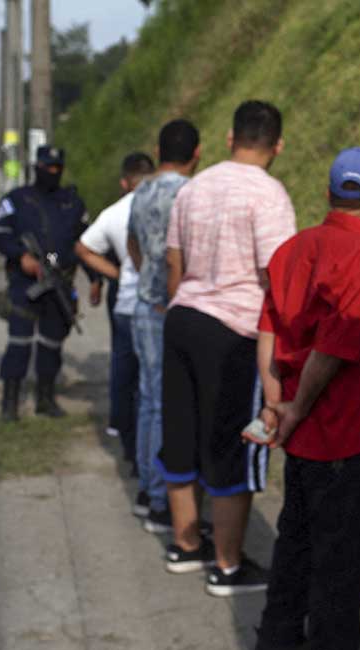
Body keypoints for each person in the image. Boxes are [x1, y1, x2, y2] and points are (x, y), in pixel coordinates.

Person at [244, 146, 360, 650]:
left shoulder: (293, 249)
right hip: (342, 431)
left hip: (300, 434)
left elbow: (268, 334)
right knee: (344, 560)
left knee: (298, 539)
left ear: (331, 192)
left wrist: (276, 403)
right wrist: (300, 407)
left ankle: (278, 637)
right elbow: (333, 351)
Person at [157, 100, 295, 595]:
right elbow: (275, 274)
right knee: (228, 446)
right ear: (277, 146)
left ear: (228, 139)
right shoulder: (269, 194)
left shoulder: (194, 189)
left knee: (181, 433)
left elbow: (175, 262)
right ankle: (228, 565)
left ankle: (185, 544)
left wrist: (183, 306)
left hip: (182, 319)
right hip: (233, 329)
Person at [127, 120, 201, 527]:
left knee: (148, 400)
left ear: (158, 151)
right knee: (169, 406)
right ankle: (161, 500)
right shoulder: (191, 194)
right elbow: (184, 255)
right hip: (174, 306)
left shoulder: (142, 190)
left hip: (144, 304)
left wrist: (146, 278)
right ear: (197, 152)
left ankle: (145, 486)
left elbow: (133, 243)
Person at [0, 145, 89, 421]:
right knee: (19, 342)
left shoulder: (72, 203)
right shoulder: (17, 200)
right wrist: (20, 255)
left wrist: (95, 280)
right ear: (37, 167)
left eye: (57, 168)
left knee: (52, 344)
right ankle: (10, 401)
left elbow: (87, 243)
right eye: (47, 168)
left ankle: (46, 397)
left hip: (59, 282)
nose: (52, 173)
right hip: (25, 283)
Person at [75, 152, 156, 479]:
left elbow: (83, 248)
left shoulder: (113, 213)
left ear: (125, 182)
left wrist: (117, 273)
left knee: (124, 374)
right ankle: (148, 455)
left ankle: (126, 438)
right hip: (159, 304)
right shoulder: (173, 202)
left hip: (125, 305)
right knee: (152, 384)